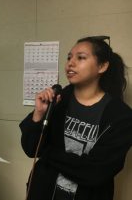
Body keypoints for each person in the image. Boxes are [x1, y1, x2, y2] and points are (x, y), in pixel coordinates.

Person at [20, 36, 132, 200]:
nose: (70, 63)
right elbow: (31, 149)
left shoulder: (121, 116)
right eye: (69, 57)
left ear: (102, 66)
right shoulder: (58, 100)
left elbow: (96, 173)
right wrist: (39, 113)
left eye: (81, 57)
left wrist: (48, 153)